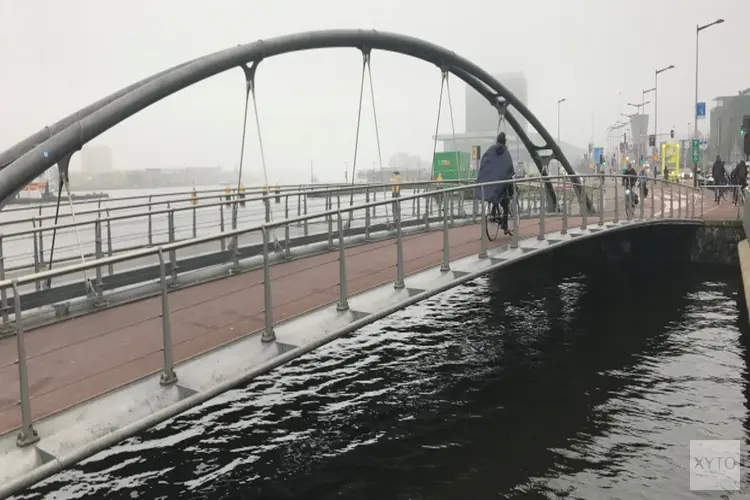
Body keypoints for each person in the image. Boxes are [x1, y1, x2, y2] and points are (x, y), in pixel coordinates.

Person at [475, 132, 515, 236]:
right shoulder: (506, 153)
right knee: (505, 204)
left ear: (497, 140)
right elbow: (509, 169)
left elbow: (485, 162)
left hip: (491, 183)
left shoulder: (490, 150)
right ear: (505, 141)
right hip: (501, 184)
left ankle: (493, 214)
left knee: (494, 194)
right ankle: (505, 225)